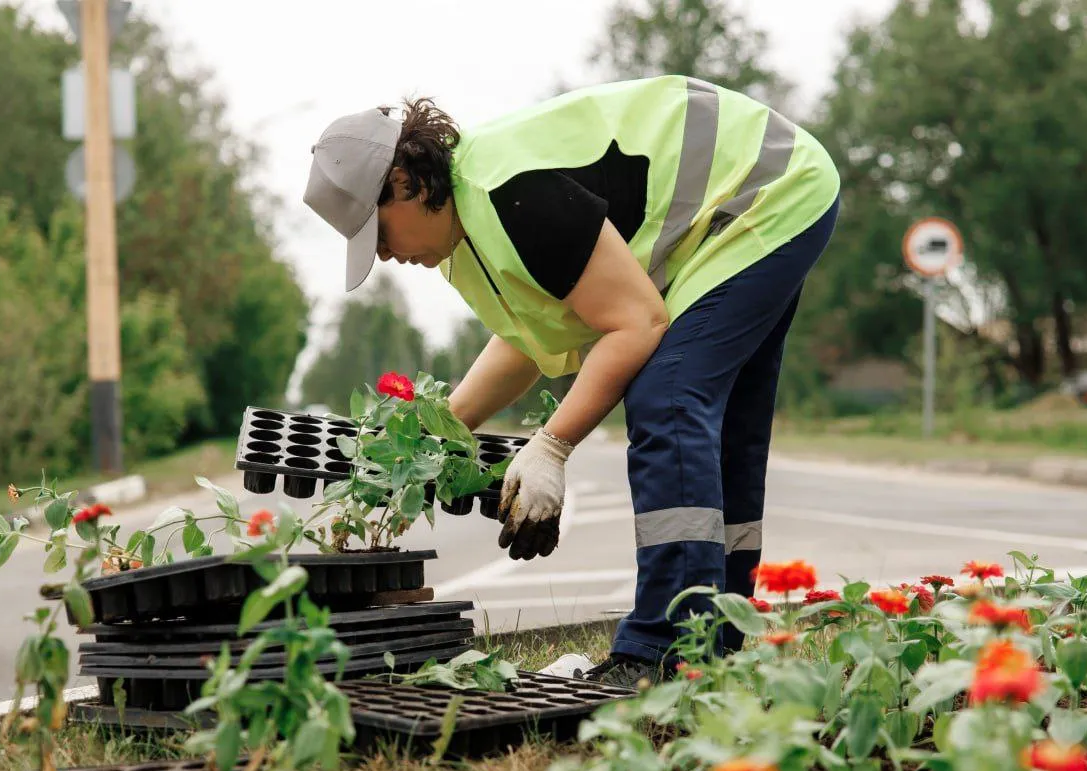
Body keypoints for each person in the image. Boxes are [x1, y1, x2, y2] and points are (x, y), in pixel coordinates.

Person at [303, 74, 840, 688]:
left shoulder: (510, 192)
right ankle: (717, 646)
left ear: (405, 183)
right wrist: (438, 435)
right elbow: (529, 340)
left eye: (379, 232)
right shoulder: (468, 229)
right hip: (762, 199)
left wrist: (552, 446)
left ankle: (665, 653)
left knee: (666, 396)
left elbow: (636, 324)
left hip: (765, 188)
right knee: (723, 432)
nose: (384, 255)